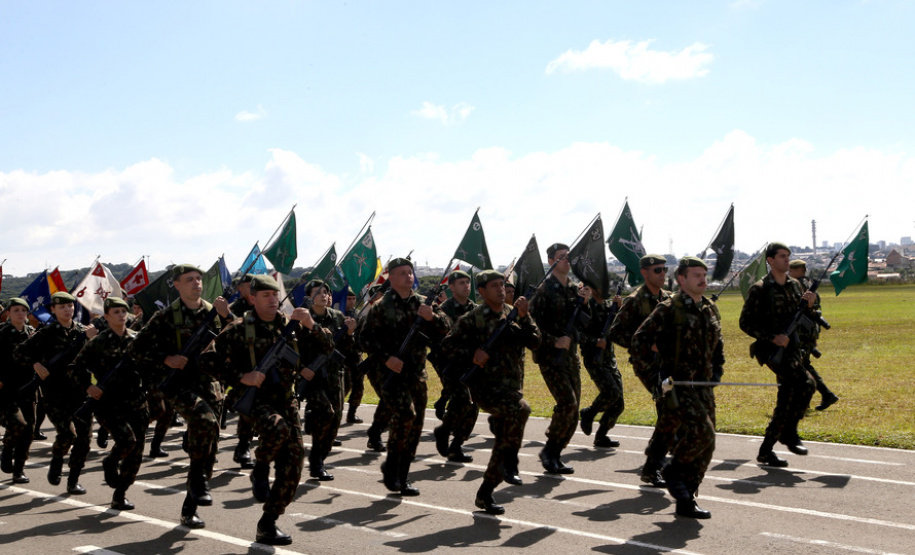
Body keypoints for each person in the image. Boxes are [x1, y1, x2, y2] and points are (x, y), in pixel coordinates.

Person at [202, 274, 319, 545]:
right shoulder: (239, 328)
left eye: (275, 294)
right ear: (252, 299)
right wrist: (241, 377)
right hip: (254, 401)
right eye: (265, 295)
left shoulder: (292, 326)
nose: (272, 299)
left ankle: (268, 522)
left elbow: (327, 347)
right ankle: (261, 465)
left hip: (286, 402)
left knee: (294, 465)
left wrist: (311, 323)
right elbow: (207, 360)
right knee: (277, 428)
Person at [127, 264, 229, 529]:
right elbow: (136, 348)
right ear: (177, 285)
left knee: (209, 447)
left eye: (198, 279)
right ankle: (196, 485)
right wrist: (166, 359)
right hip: (180, 385)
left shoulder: (214, 312)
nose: (196, 283)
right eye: (189, 280)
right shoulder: (165, 316)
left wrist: (227, 316)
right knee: (204, 422)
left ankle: (190, 507)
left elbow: (238, 338)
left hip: (210, 386)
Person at [442, 270, 540, 514]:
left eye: (502, 285)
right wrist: (473, 353)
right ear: (482, 291)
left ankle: (486, 492)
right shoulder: (472, 318)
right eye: (494, 286)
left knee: (508, 431)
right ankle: (509, 464)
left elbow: (535, 340)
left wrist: (526, 317)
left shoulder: (513, 314)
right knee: (520, 410)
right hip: (485, 387)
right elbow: (448, 346)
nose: (500, 289)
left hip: (512, 387)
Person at [632, 257, 723, 519]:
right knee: (701, 431)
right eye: (696, 275)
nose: (703, 279)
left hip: (703, 385)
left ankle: (687, 498)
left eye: (704, 274)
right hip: (677, 385)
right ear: (682, 280)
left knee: (707, 444)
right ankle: (672, 471)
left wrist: (717, 371)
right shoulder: (668, 309)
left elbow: (719, 345)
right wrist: (653, 379)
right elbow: (639, 342)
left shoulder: (709, 308)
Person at [358, 258, 449, 496]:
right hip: (387, 372)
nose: (408, 277)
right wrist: (387, 357)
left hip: (415, 372)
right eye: (402, 273)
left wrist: (432, 318)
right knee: (405, 414)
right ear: (391, 277)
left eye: (410, 272)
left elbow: (446, 330)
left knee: (416, 425)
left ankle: (402, 474)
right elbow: (364, 339)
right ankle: (393, 471)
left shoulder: (424, 304)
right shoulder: (381, 307)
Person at [740, 243, 817, 467]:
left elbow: (800, 316)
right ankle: (789, 433)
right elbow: (745, 323)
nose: (787, 260)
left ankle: (766, 450)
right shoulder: (760, 289)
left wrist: (809, 306)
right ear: (770, 260)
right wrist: (772, 337)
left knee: (785, 399)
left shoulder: (794, 286)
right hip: (772, 350)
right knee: (806, 383)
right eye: (782, 256)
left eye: (788, 256)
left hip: (793, 348)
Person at [69, 297, 149, 511]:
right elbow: (76, 368)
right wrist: (89, 387)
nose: (122, 315)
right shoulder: (98, 342)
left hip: (137, 402)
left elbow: (150, 365)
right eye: (116, 312)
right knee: (127, 441)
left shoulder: (137, 339)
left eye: (124, 311)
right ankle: (110, 462)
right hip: (110, 404)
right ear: (106, 316)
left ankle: (120, 494)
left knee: (136, 452)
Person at [14, 292, 97, 494]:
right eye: (62, 307)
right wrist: (35, 364)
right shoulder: (47, 333)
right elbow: (20, 352)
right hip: (55, 394)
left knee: (84, 440)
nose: (67, 310)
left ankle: (73, 481)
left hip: (80, 391)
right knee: (67, 434)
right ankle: (58, 459)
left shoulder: (83, 331)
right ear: (53, 310)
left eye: (70, 306)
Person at [608, 254, 673, 487]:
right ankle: (651, 468)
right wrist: (646, 344)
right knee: (668, 408)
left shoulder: (668, 298)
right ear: (644, 273)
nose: (663, 274)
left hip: (668, 363)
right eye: (657, 270)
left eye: (665, 269)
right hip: (647, 364)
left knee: (671, 410)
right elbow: (615, 332)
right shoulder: (635, 300)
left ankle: (663, 453)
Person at [529, 243, 591, 475]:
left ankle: (555, 452)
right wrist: (553, 341)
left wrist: (585, 303)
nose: (567, 261)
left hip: (570, 357)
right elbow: (531, 327)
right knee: (568, 404)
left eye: (569, 257)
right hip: (550, 357)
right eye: (562, 257)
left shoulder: (575, 289)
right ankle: (549, 451)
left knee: (572, 410)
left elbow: (585, 321)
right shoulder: (543, 291)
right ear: (550, 261)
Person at [301, 279, 356, 481]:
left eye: (325, 291)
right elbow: (292, 348)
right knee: (325, 413)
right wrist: (301, 369)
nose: (323, 295)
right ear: (308, 297)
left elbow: (347, 349)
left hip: (334, 375)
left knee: (335, 420)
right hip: (313, 375)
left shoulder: (337, 317)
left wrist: (349, 333)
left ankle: (319, 458)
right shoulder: (302, 318)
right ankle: (316, 462)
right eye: (317, 292)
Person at [432, 270, 479, 463]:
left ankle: (456, 444)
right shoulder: (444, 310)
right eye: (461, 283)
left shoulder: (476, 309)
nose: (466, 286)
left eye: (468, 282)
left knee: (474, 405)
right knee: (462, 400)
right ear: (451, 287)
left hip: (472, 363)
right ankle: (445, 432)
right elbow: (441, 340)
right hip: (450, 364)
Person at [788, 259, 839, 411]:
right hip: (809, 331)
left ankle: (818, 396)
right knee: (804, 364)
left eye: (791, 270)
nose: (789, 273)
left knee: (800, 366)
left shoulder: (798, 286)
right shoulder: (809, 285)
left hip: (802, 332)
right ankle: (825, 394)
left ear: (798, 270)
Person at [578, 287, 625, 448]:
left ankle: (601, 436)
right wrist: (594, 342)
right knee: (612, 392)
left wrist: (619, 308)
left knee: (619, 404)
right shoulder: (585, 305)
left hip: (609, 358)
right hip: (594, 358)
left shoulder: (608, 305)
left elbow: (619, 327)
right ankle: (589, 412)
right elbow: (577, 334)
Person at [0, 298, 37, 484]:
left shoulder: (32, 333)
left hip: (28, 388)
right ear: (8, 313)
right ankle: (7, 449)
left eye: (23, 310)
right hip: (7, 389)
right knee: (19, 425)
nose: (20, 313)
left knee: (29, 430)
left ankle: (19, 470)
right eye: (16, 310)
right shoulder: (3, 334)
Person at [343, 287, 365, 424]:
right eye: (348, 299)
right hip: (341, 356)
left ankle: (352, 413)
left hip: (355, 355)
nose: (351, 302)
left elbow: (362, 335)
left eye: (353, 299)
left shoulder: (358, 315)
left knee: (358, 386)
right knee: (344, 386)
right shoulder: (337, 314)